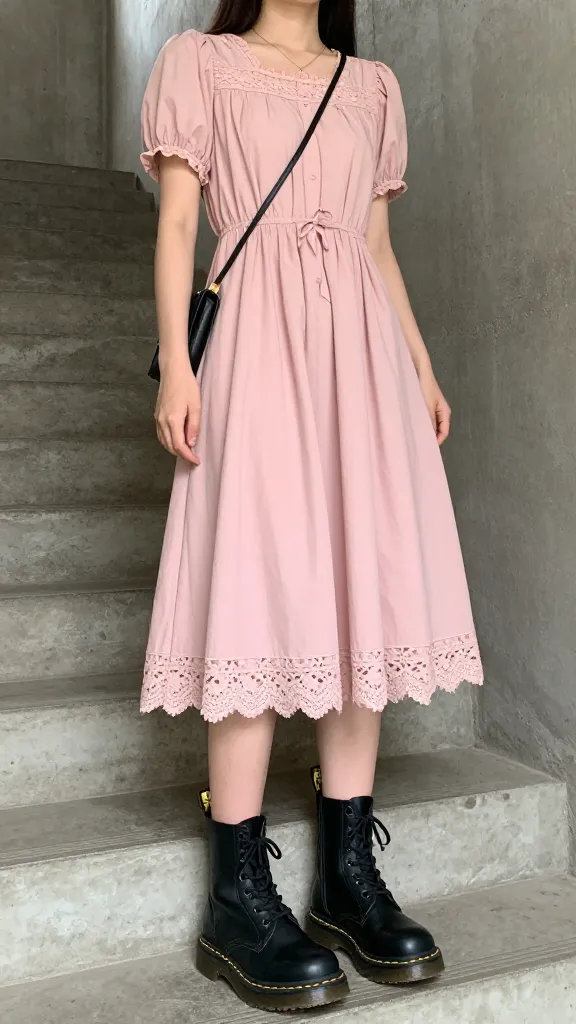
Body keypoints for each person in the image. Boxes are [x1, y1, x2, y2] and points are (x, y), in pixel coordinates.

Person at [139, 0, 483, 1012]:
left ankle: (346, 876)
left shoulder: (370, 86)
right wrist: (177, 368)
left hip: (360, 360)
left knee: (357, 590)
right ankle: (236, 897)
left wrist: (419, 363)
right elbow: (177, 221)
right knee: (252, 581)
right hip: (254, 345)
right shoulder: (200, 63)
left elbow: (377, 246)